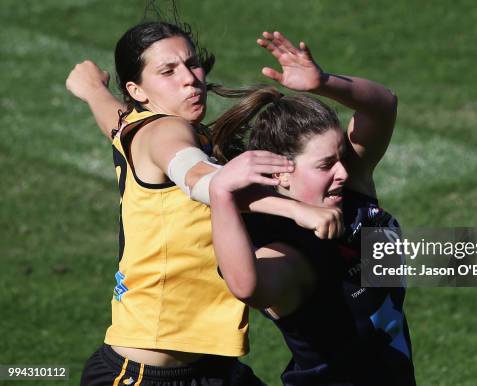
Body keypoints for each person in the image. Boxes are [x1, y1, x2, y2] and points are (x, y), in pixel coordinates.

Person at [66, 21, 343, 386]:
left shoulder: (134, 126)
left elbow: (112, 119)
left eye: (192, 63)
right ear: (137, 90)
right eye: (168, 71)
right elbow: (199, 178)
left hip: (213, 372)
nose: (190, 78)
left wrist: (92, 90)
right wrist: (297, 210)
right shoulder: (166, 131)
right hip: (146, 377)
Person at [209, 31, 416, 385]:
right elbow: (248, 287)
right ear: (281, 174)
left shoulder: (349, 189)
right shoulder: (287, 251)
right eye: (325, 165)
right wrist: (221, 194)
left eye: (340, 157)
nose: (343, 170)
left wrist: (323, 83)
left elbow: (383, 105)